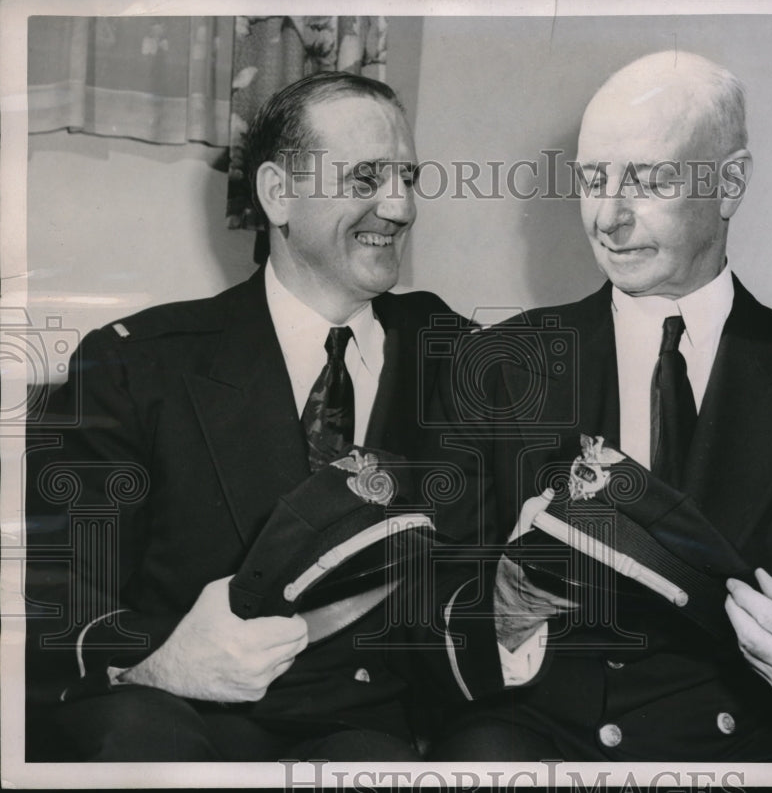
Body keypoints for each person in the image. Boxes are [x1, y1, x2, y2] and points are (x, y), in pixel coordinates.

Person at [431, 51, 772, 762]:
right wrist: (499, 607)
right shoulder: (501, 365)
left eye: (650, 180)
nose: (610, 217)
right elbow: (422, 593)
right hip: (543, 737)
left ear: (730, 184)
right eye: (593, 180)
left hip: (761, 744)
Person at [24, 72, 461, 761]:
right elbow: (58, 597)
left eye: (409, 176)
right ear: (277, 194)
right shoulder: (135, 368)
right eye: (368, 177)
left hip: (367, 731)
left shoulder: (460, 356)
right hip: (178, 717)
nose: (401, 206)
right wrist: (161, 661)